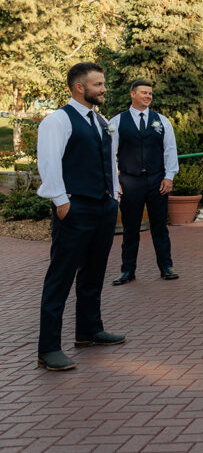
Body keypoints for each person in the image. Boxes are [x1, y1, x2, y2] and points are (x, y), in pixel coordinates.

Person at [35, 62, 124, 371]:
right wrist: (60, 201)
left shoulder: (101, 121)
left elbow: (109, 161)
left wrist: (114, 195)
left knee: (94, 272)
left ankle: (88, 330)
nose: (103, 89)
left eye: (102, 83)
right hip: (74, 207)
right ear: (79, 88)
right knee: (60, 277)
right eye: (98, 84)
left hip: (103, 206)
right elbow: (49, 162)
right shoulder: (58, 120)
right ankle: (48, 349)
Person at [109, 79, 180, 285]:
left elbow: (170, 150)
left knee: (160, 227)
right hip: (130, 181)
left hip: (157, 180)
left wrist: (169, 176)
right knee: (130, 228)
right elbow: (110, 154)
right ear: (132, 94)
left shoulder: (162, 121)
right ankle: (127, 270)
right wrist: (116, 181)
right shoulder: (116, 122)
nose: (148, 96)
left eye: (150, 93)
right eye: (143, 92)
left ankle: (166, 266)